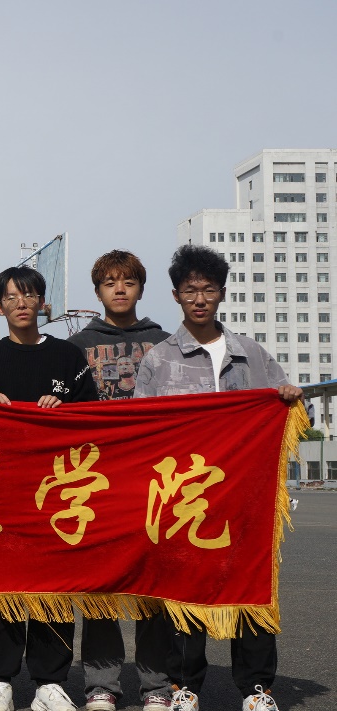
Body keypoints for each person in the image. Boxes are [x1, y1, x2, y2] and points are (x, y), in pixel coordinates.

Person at [134, 245, 301, 711]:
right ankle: (183, 686)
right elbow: (143, 430)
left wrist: (288, 397)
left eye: (208, 289)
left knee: (251, 587)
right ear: (175, 295)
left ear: (222, 293)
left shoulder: (252, 355)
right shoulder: (158, 361)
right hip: (185, 497)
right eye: (190, 290)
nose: (199, 299)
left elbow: (282, 411)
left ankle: (257, 689)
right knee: (186, 593)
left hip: (246, 496)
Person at [0, 265, 97, 711]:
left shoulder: (68, 356)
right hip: (0, 491)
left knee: (54, 585)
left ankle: (50, 683)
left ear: (43, 302)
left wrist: (65, 407)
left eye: (29, 295)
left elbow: (94, 419)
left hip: (57, 491)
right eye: (11, 297)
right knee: (0, 584)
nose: (20, 304)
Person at [66, 251, 172, 711]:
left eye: (128, 281)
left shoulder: (166, 343)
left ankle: (158, 688)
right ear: (98, 292)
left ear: (141, 288)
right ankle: (101, 686)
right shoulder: (76, 346)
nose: (120, 289)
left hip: (153, 478)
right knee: (101, 588)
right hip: (98, 480)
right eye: (110, 282)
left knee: (154, 587)